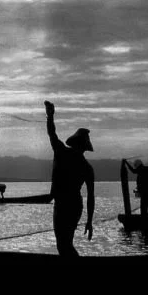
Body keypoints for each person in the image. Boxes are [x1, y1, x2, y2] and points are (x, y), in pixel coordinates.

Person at [44, 100, 95, 257]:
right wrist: (50, 117)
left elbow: (52, 134)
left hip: (68, 205)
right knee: (64, 244)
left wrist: (50, 116)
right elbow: (91, 197)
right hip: (68, 204)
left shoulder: (64, 154)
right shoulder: (84, 165)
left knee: (64, 244)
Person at [123, 151, 148, 222]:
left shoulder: (140, 170)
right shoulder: (147, 168)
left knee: (143, 206)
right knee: (145, 206)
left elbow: (133, 171)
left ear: (138, 166)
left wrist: (126, 163)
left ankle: (144, 219)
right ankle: (145, 217)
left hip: (145, 192)